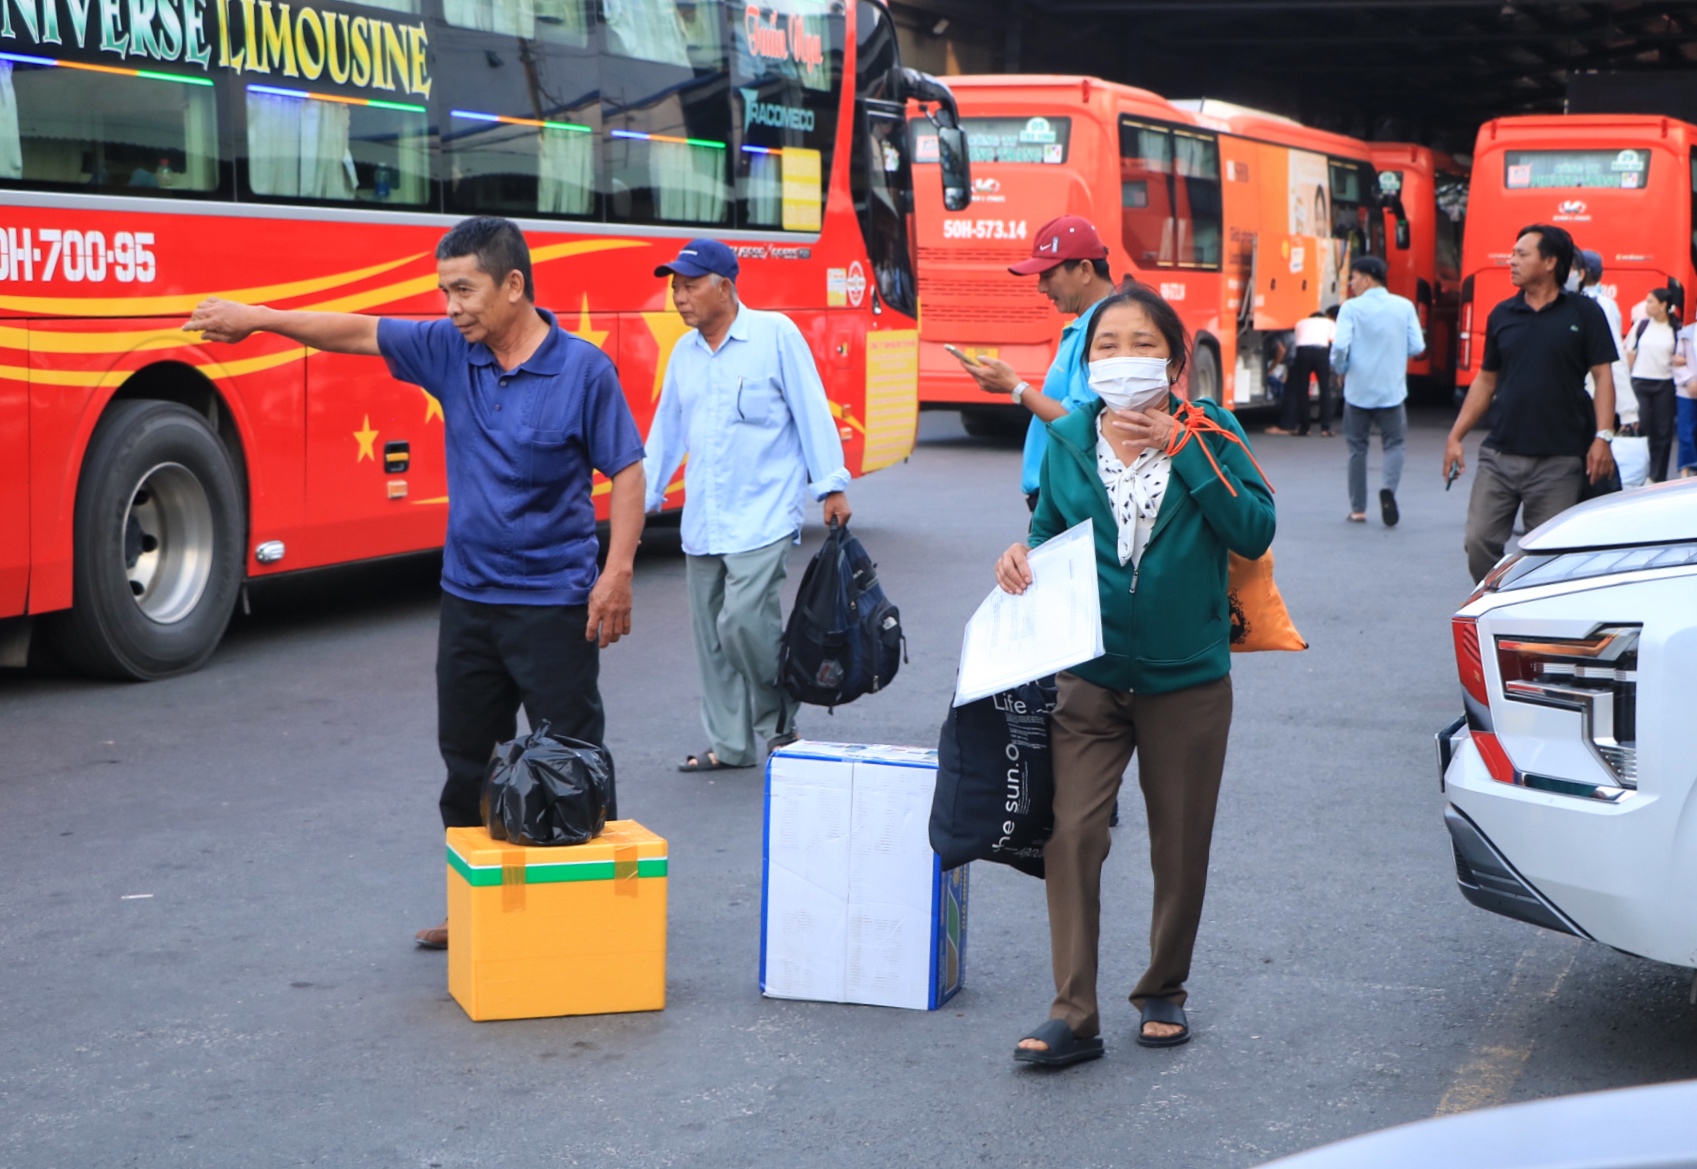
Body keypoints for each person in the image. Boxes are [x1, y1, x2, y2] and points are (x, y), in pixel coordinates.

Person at [183, 216, 648, 950]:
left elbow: (625, 469)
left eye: (464, 290)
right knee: (466, 764)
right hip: (469, 601)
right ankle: (475, 908)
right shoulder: (446, 351)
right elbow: (353, 331)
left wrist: (616, 572)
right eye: (443, 291)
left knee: (570, 757)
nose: (450, 306)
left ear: (514, 286)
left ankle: (584, 919)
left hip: (554, 602)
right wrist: (259, 320)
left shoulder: (582, 369)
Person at [995, 284, 1275, 1067]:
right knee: (1072, 833)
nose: (1121, 359)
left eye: (1138, 344)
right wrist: (1020, 554)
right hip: (1089, 671)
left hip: (1186, 676)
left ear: (1174, 358)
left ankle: (1162, 987)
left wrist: (1185, 452)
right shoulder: (1071, 436)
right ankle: (1071, 1011)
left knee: (1178, 841)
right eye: (1105, 346)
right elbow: (1048, 528)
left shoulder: (1210, 430)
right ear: (1087, 364)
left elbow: (1252, 527)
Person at [643, 239, 851, 773]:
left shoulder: (774, 335)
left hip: (763, 515)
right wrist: (640, 500)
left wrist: (830, 486)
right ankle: (730, 747)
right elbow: (666, 434)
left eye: (690, 286)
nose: (679, 298)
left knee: (742, 624)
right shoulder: (684, 355)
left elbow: (811, 408)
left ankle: (779, 721)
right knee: (711, 641)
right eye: (675, 287)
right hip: (705, 521)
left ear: (726, 288)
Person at [1443, 223, 1617, 584]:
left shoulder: (1584, 313)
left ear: (1550, 261)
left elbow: (1603, 377)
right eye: (1513, 254)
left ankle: (1534, 623)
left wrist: (1604, 436)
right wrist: (1456, 436)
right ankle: (1497, 601)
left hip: (1560, 459)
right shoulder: (1502, 314)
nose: (1512, 261)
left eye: (1522, 254)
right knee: (1478, 541)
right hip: (1500, 456)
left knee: (1549, 554)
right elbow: (1486, 380)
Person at [948, 216, 1116, 510]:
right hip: (1059, 496)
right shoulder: (1088, 324)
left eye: (1048, 275)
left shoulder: (1104, 330)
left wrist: (1015, 387)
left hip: (1070, 498)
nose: (1040, 288)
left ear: (1085, 270)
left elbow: (1076, 420)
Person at [1330, 256, 1425, 525]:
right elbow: (1417, 347)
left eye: (1354, 278)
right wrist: (1395, 355)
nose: (1351, 284)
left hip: (1357, 391)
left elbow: (1339, 347)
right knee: (1395, 444)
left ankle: (1358, 509)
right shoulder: (1404, 306)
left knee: (1356, 449)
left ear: (1367, 279)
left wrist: (1341, 368)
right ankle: (1388, 488)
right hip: (1391, 392)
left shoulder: (1350, 308)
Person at [1623, 288, 1681, 482]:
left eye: (1650, 302)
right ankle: (1640, 474)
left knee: (1663, 434)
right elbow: (1629, 356)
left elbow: (1681, 358)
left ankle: (1657, 477)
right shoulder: (1641, 326)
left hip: (1664, 384)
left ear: (1663, 305)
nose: (1646, 306)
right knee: (1642, 428)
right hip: (1640, 382)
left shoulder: (1675, 330)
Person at [1576, 249, 1637, 428]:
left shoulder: (1591, 304)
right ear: (1600, 275)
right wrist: (1627, 410)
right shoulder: (1605, 305)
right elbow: (1614, 355)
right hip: (1593, 394)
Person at [1266, 311, 1336, 436]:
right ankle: (1325, 428)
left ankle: (1305, 428)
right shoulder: (1329, 322)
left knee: (1302, 391)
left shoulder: (1300, 323)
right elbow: (1333, 341)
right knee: (1325, 389)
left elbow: (1298, 340)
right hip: (1321, 352)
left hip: (1302, 352)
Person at [1675, 317, 1697, 477]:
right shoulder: (1686, 334)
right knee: (1685, 432)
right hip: (1687, 391)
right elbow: (1677, 362)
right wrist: (1690, 381)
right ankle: (1685, 470)